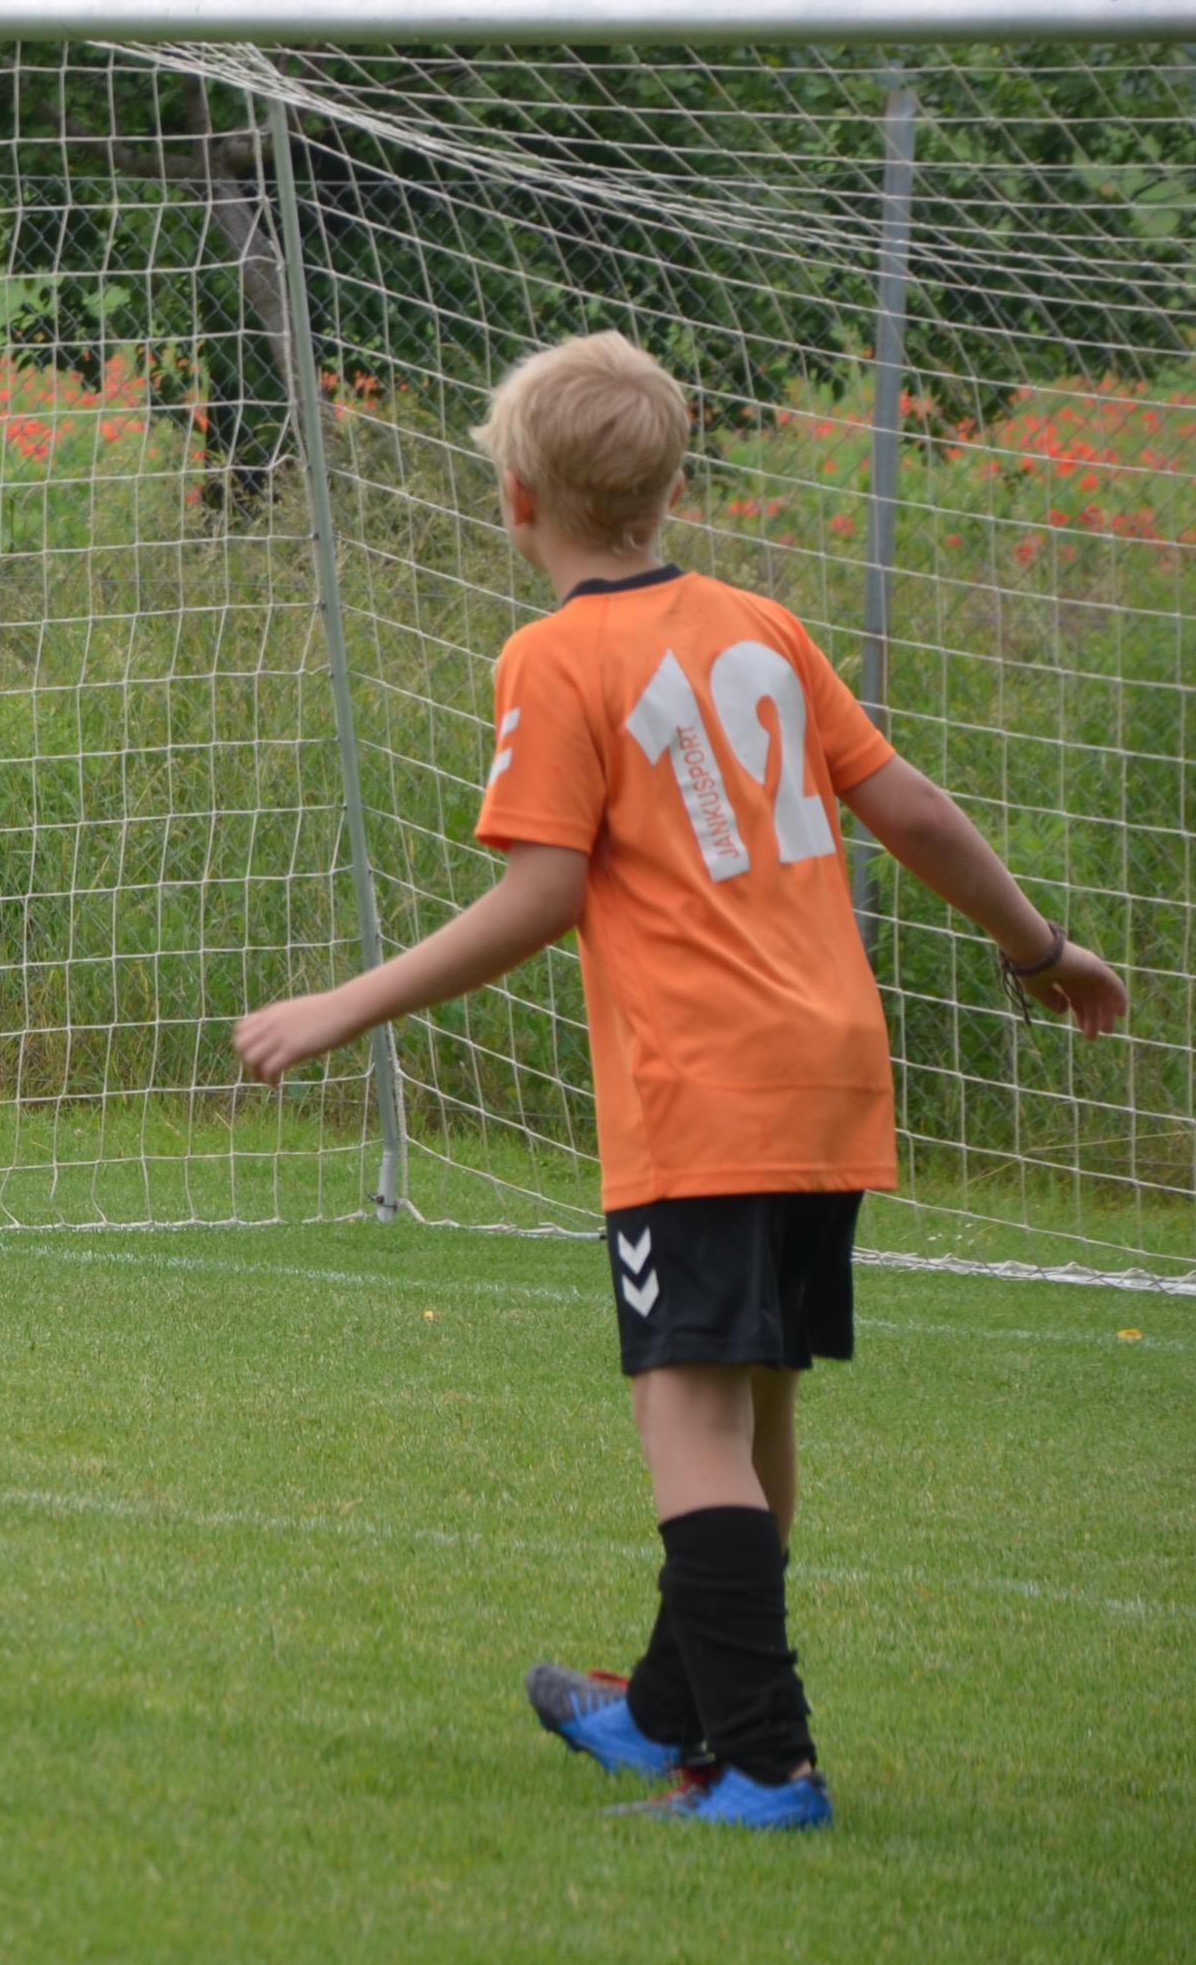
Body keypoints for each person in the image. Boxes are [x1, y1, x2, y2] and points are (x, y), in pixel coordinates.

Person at [231, 332, 1124, 1830]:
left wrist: (344, 1005)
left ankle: (766, 1764)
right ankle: (668, 1713)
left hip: (704, 1093)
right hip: (829, 1075)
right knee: (755, 1414)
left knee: (687, 1425)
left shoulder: (554, 657)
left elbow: (541, 895)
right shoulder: (761, 625)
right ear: (672, 487)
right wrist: (1039, 947)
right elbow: (906, 804)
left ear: (517, 499)